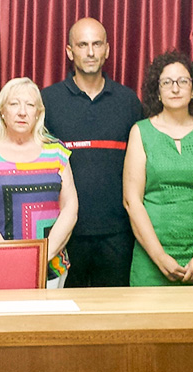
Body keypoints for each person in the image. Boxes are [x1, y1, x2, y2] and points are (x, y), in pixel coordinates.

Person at [40, 18, 142, 287]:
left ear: (107, 49)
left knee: (113, 318)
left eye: (97, 44)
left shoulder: (128, 100)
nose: (90, 52)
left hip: (118, 232)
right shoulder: (47, 100)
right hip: (63, 233)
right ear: (69, 51)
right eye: (82, 45)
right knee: (62, 319)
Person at [123, 51, 193, 286]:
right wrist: (159, 256)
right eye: (167, 82)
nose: (175, 88)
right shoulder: (140, 132)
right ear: (157, 91)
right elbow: (132, 200)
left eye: (183, 82)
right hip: (151, 256)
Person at [0, 78, 79, 288]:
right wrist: (11, 258)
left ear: (38, 113)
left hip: (49, 267)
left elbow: (70, 208)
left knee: (46, 321)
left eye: (30, 105)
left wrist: (43, 255)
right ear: (2, 111)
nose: (22, 112)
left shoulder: (57, 152)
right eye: (14, 103)